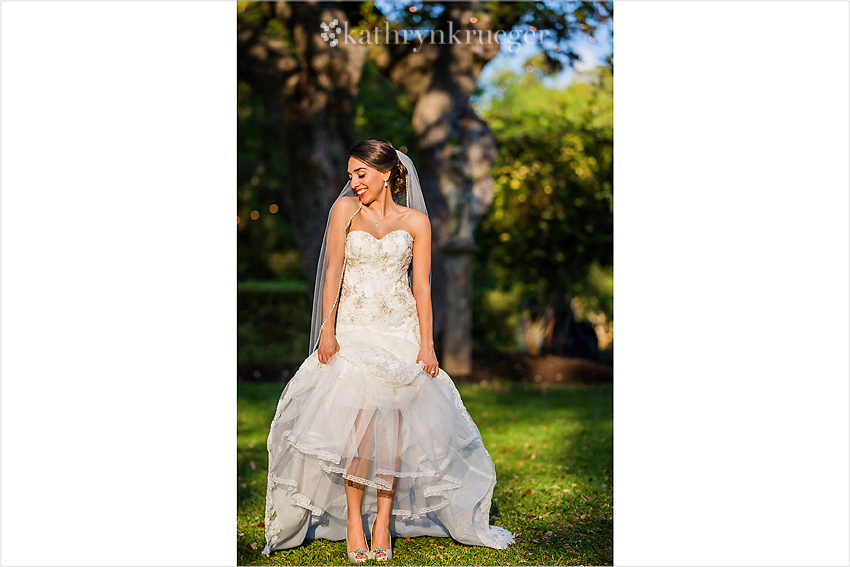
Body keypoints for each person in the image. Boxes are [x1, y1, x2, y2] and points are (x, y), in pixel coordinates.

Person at [261, 139, 514, 562]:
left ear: (387, 174)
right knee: (360, 428)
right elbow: (333, 277)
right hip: (355, 330)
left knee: (393, 431)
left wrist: (427, 345)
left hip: (401, 332)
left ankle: (382, 521)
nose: (354, 183)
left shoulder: (416, 221)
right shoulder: (344, 212)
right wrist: (328, 331)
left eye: (361, 174)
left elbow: (422, 288)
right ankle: (355, 523)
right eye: (350, 176)